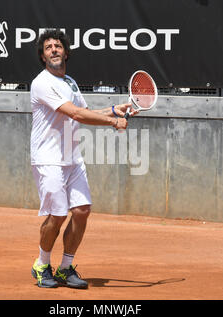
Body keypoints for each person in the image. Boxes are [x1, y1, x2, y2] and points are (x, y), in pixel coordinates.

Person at [30, 29, 138, 289]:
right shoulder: (42, 82)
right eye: (48, 48)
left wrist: (114, 109)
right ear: (43, 57)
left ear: (66, 52)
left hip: (72, 158)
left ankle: (66, 268)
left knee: (81, 211)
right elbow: (77, 115)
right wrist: (114, 122)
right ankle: (42, 264)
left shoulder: (69, 82)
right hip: (48, 158)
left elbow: (86, 111)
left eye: (58, 46)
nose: (54, 49)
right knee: (57, 215)